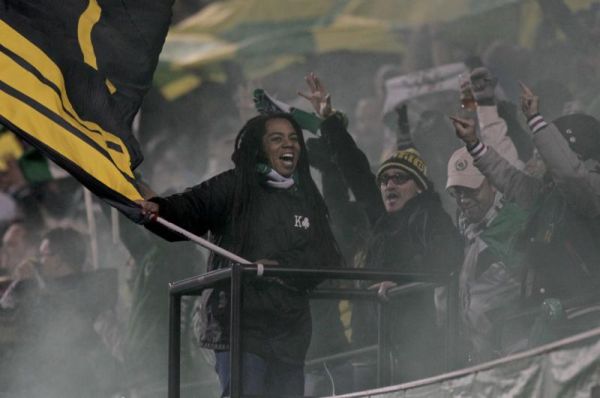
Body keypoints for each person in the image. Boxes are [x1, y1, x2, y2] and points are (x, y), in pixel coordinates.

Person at [139, 112, 343, 397]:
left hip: (290, 332)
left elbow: (325, 255)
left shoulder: (307, 195)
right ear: (259, 148)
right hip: (238, 328)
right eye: (277, 138)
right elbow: (191, 209)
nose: (289, 144)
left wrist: (281, 267)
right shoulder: (234, 185)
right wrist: (162, 209)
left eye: (294, 138)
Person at [298, 73, 463, 384]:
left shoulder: (430, 216)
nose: (389, 185)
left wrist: (401, 281)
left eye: (399, 179)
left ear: (419, 187)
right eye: (385, 179)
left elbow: (449, 257)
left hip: (414, 351)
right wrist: (329, 121)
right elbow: (356, 170)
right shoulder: (381, 218)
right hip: (369, 347)